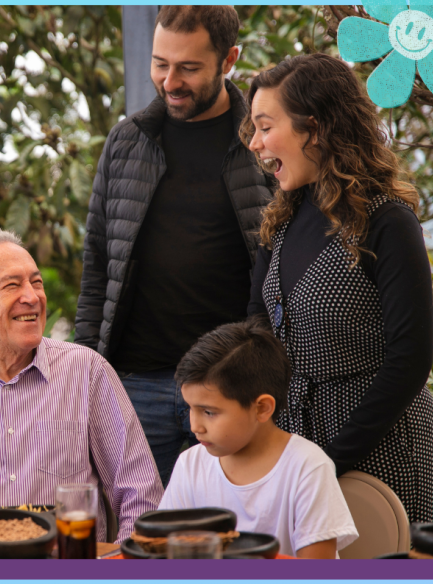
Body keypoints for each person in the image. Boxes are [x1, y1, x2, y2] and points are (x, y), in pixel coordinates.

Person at [73, 5, 272, 485]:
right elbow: (98, 265)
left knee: (238, 542)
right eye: (161, 63)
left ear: (229, 61)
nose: (170, 81)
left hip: (233, 388)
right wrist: (85, 372)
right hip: (137, 384)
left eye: (189, 68)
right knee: (144, 542)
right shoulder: (126, 141)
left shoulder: (262, 143)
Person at [242, 53, 433, 523]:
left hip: (382, 451)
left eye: (266, 127)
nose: (255, 143)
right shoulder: (283, 218)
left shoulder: (387, 219)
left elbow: (411, 357)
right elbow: (257, 324)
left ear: (314, 129)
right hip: (302, 449)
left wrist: (332, 457)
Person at [0, 230, 164, 542]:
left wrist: (120, 565)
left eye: (37, 282)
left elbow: (141, 495)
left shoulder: (86, 372)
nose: (32, 296)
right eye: (12, 285)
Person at [159, 319, 358, 558]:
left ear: (262, 408)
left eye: (209, 412)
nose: (194, 426)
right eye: (190, 408)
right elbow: (167, 555)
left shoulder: (308, 467)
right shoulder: (189, 465)